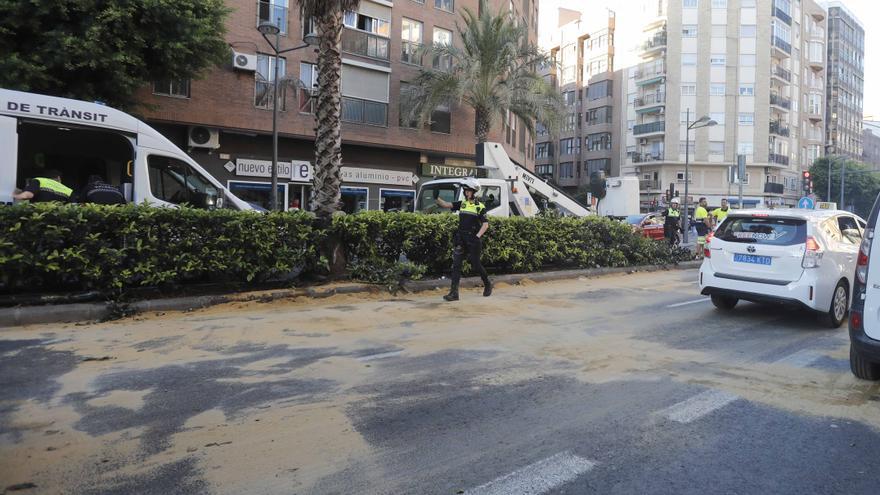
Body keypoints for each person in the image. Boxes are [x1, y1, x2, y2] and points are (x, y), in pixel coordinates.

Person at [435, 177, 492, 301]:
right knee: (456, 265)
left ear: (474, 192)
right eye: (465, 190)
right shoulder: (462, 203)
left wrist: (477, 237)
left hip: (473, 239)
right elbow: (445, 204)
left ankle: (487, 283)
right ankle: (454, 294)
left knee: (476, 265)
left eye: (468, 190)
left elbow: (485, 225)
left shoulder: (479, 206)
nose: (466, 192)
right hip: (461, 239)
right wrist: (436, 196)